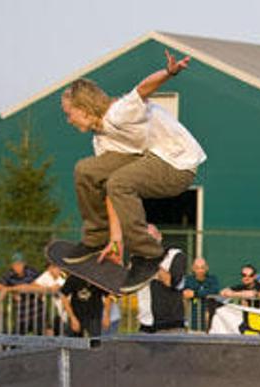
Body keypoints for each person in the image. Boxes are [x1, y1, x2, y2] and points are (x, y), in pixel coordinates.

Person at [59, 49, 206, 294]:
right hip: (148, 157)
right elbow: (109, 191)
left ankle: (148, 254)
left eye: (69, 113)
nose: (68, 120)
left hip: (177, 164)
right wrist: (115, 239)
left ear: (83, 108)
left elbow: (143, 89)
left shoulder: (119, 112)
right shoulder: (101, 139)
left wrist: (168, 73)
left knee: (120, 182)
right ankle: (95, 237)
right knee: (87, 171)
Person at [137, 224, 187, 333]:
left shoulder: (174, 255)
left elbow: (172, 282)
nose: (148, 240)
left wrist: (152, 261)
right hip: (145, 323)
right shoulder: (138, 259)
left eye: (151, 236)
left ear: (160, 236)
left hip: (170, 325)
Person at [0, 252, 43, 334]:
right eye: (15, 265)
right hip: (21, 314)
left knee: (41, 338)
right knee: (16, 337)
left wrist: (9, 289)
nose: (17, 267)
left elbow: (33, 287)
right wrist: (8, 290)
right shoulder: (10, 274)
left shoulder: (32, 272)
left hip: (37, 312)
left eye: (19, 264)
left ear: (24, 264)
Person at [182, 257, 220, 331]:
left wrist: (195, 293)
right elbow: (185, 293)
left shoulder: (212, 279)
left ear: (207, 268)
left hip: (209, 320)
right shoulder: (188, 280)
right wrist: (203, 293)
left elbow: (214, 290)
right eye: (197, 268)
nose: (200, 270)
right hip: (192, 320)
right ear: (193, 268)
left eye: (202, 267)